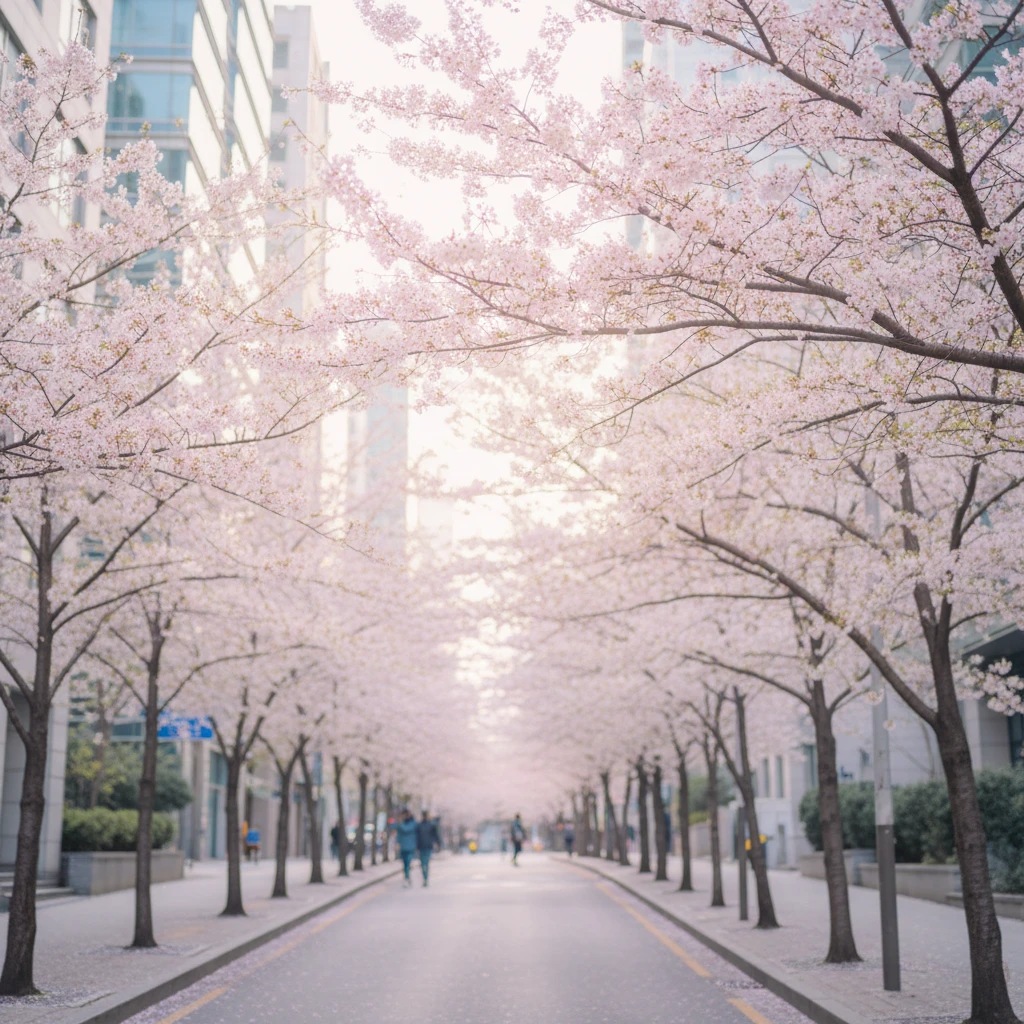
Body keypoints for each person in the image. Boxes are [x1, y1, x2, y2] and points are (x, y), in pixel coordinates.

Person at [393, 809, 418, 887]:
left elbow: (406, 829)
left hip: (410, 846)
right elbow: (398, 834)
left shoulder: (412, 823)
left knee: (408, 862)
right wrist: (397, 843)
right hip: (403, 846)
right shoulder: (401, 823)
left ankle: (407, 877)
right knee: (405, 864)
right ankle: (407, 877)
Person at [416, 810, 440, 887]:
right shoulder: (419, 825)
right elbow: (416, 836)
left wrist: (436, 844)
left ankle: (425, 878)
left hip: (429, 846)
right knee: (422, 864)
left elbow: (435, 835)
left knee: (426, 863)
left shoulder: (431, 825)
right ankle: (424, 877)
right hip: (421, 847)